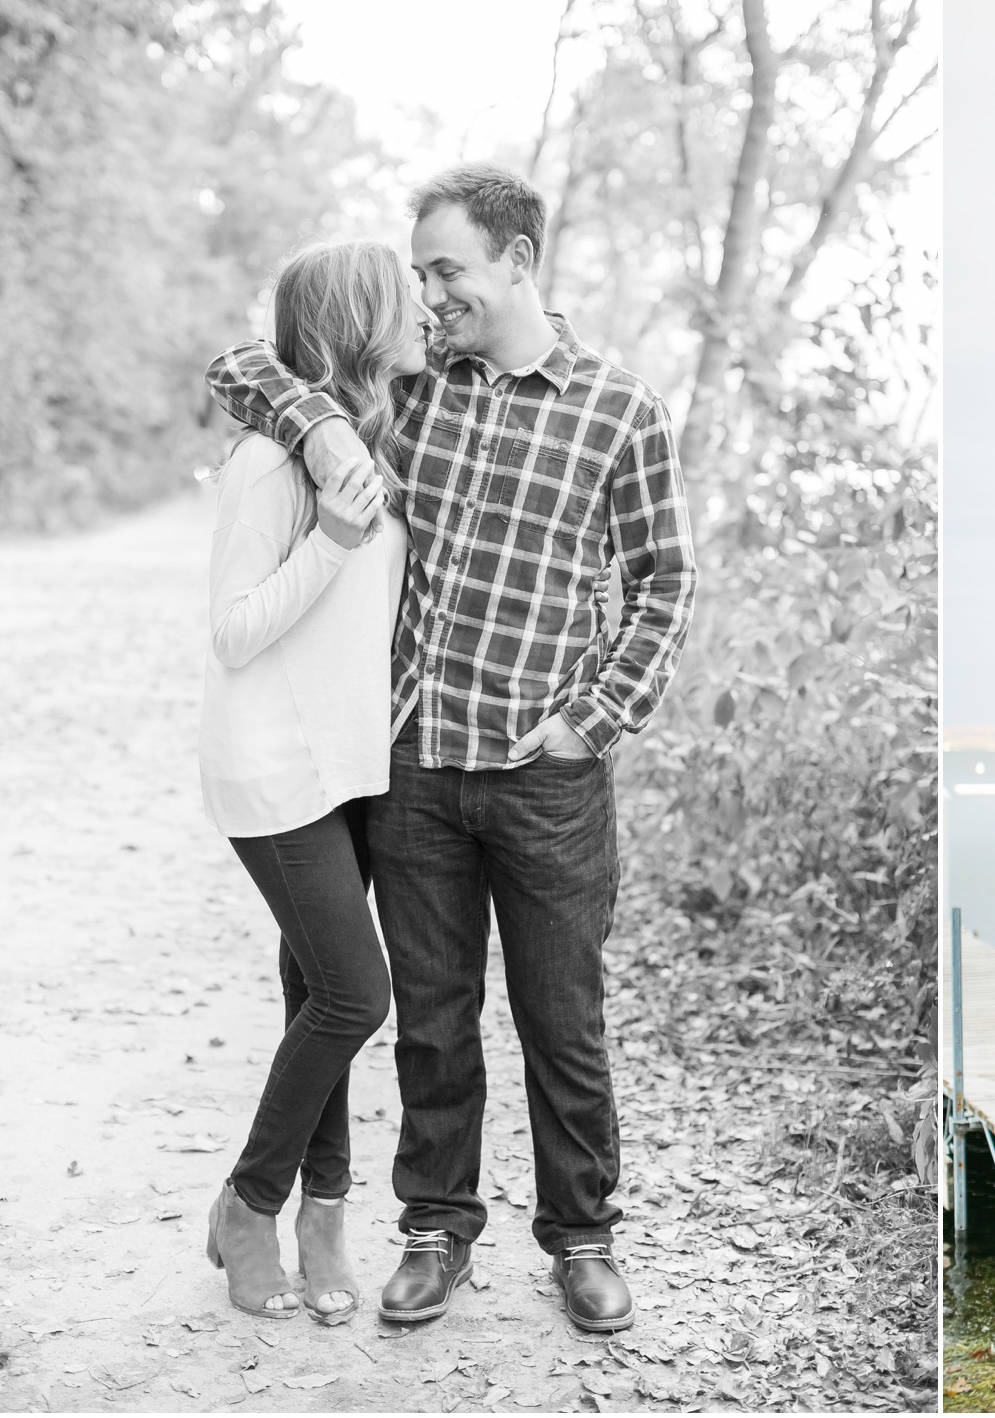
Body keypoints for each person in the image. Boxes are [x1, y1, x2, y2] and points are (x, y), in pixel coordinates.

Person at [207, 164, 697, 1334]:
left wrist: (590, 722)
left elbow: (666, 584)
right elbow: (240, 366)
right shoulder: (411, 392)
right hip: (415, 762)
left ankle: (583, 1237)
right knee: (429, 1015)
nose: (428, 297)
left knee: (560, 1019)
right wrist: (324, 427)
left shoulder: (618, 407)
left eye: (447, 271)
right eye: (419, 274)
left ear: (518, 261)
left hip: (546, 773)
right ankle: (435, 1231)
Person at [198, 241, 426, 1321]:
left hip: (351, 768)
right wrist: (331, 543)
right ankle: (250, 1203)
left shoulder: (380, 435)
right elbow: (234, 632)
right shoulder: (268, 465)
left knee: (313, 992)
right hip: (273, 767)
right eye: (405, 300)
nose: (425, 310)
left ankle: (322, 1216)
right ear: (357, 323)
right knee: (354, 992)